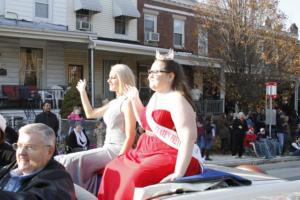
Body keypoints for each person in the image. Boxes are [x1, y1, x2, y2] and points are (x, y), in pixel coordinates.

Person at [98, 49, 203, 200]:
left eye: (156, 71)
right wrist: (134, 98)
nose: (150, 75)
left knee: (135, 175)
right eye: (150, 71)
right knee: (112, 167)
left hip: (171, 153)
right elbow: (145, 123)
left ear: (170, 76)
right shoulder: (156, 96)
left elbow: (188, 138)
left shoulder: (178, 99)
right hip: (147, 149)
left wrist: (179, 172)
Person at [55, 64, 136, 195]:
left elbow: (130, 135)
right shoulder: (114, 102)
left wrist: (120, 159)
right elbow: (90, 113)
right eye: (109, 77)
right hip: (107, 148)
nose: (108, 80)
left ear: (122, 79)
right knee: (64, 160)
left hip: (116, 151)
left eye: (113, 77)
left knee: (66, 161)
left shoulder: (128, 102)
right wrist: (82, 91)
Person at [0, 123, 76, 200]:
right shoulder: (12, 168)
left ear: (49, 151)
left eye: (29, 147)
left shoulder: (59, 179)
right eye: (19, 146)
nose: (21, 153)